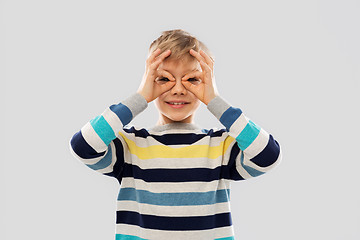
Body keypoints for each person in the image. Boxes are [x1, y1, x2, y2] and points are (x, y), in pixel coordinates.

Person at [69, 29, 282, 240]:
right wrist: (140, 97)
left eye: (192, 80)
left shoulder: (221, 146)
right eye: (164, 79)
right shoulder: (130, 146)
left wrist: (214, 100)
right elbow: (83, 146)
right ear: (149, 80)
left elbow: (268, 156)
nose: (178, 89)